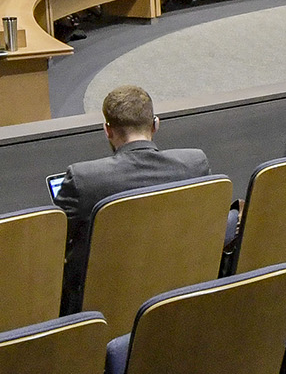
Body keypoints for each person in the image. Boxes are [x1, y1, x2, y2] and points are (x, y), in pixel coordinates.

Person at [51, 85, 207, 308]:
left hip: (100, 305)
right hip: (177, 293)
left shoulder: (83, 179)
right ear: (155, 125)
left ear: (108, 130)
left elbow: (55, 243)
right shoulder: (194, 165)